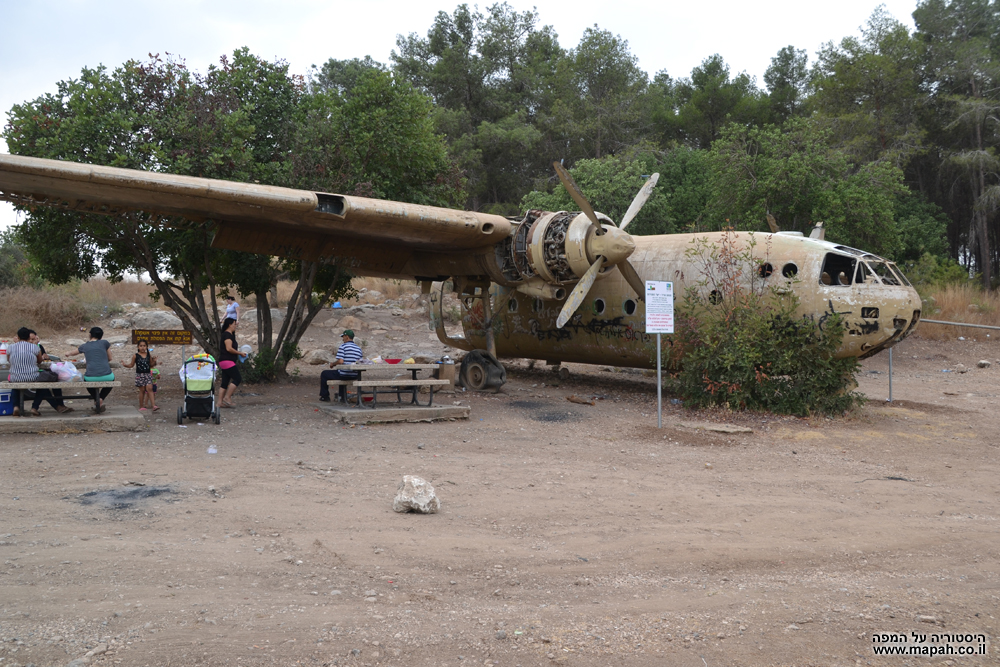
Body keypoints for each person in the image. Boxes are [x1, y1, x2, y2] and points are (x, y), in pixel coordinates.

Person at [7, 327, 71, 417]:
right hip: (32, 377)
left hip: (14, 377)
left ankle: (16, 407)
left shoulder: (10, 347)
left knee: (15, 386)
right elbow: (40, 361)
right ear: (29, 338)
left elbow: (9, 360)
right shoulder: (34, 347)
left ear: (18, 336)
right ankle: (34, 408)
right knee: (43, 387)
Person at [76, 327, 115, 413]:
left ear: (90, 335)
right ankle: (101, 398)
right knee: (112, 379)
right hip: (107, 376)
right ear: (101, 336)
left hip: (90, 377)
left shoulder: (85, 345)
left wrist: (67, 354)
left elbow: (73, 352)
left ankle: (96, 399)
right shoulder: (105, 343)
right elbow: (110, 358)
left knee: (86, 380)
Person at [320, 330, 362, 403]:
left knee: (324, 374)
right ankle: (342, 396)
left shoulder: (343, 346)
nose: (342, 339)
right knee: (341, 372)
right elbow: (360, 362)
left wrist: (333, 364)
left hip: (344, 374)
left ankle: (325, 396)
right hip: (355, 375)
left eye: (343, 337)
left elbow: (341, 361)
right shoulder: (358, 349)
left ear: (347, 337)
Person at [217, 317, 248, 408]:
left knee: (225, 382)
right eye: (234, 324)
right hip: (227, 361)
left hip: (224, 361)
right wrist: (240, 353)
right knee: (237, 378)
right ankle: (227, 397)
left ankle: (219, 403)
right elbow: (229, 348)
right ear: (230, 324)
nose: (235, 326)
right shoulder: (227, 335)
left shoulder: (227, 335)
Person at [122, 339, 158, 412]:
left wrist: (154, 361)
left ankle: (153, 405)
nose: (142, 347)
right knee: (142, 390)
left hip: (148, 374)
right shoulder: (136, 356)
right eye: (141, 346)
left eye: (144, 346)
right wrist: (125, 365)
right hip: (140, 375)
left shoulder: (148, 355)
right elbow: (131, 365)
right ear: (138, 347)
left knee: (150, 389)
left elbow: (151, 365)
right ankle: (141, 406)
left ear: (147, 347)